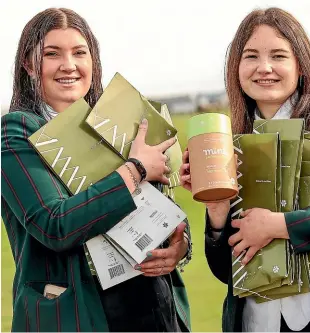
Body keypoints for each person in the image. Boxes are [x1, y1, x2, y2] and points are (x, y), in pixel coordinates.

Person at [2, 8, 191, 332]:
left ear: (93, 61)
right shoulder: (16, 132)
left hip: (153, 310)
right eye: (52, 54)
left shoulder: (116, 118)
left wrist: (180, 246)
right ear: (29, 65)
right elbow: (54, 223)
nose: (69, 65)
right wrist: (135, 170)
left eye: (80, 53)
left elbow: (159, 206)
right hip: (81, 315)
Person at [179, 7, 310, 332]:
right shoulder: (228, 144)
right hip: (254, 323)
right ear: (236, 68)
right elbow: (227, 271)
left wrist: (281, 225)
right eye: (251, 56)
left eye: (278, 55)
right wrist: (217, 208)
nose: (264, 68)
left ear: (300, 65)